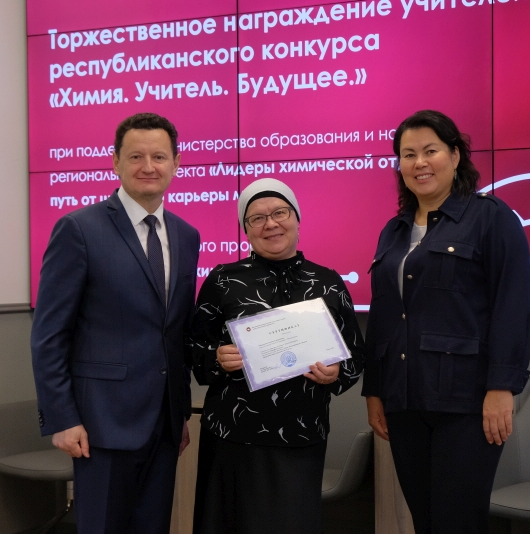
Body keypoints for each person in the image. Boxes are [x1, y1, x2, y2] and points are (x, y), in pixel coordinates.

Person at [362, 110, 530, 534]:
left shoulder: (491, 218)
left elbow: (512, 306)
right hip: (403, 400)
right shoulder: (392, 231)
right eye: (408, 155)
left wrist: (502, 388)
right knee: (426, 521)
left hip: (466, 402)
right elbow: (384, 315)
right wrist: (374, 390)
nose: (419, 163)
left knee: (458, 522)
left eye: (430, 151)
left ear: (455, 156)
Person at [31, 112, 200, 533]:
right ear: (115, 163)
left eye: (159, 156)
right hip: (100, 425)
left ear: (176, 164)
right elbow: (49, 335)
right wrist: (62, 417)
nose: (148, 166)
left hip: (163, 426)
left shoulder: (186, 235)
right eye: (136, 156)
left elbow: (174, 331)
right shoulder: (78, 229)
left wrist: (179, 413)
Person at [189, 178, 365, 534]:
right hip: (233, 436)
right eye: (257, 218)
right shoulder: (222, 279)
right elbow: (194, 350)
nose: (270, 224)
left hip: (301, 435)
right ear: (246, 230)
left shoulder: (328, 282)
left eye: (280, 213)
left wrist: (336, 373)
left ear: (296, 219)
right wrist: (217, 358)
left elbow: (354, 354)